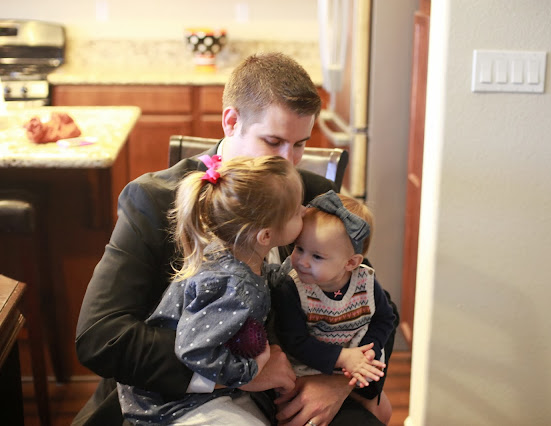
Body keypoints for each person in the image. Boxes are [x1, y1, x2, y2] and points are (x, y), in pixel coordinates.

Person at [73, 52, 398, 426]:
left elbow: (372, 300)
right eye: (273, 141)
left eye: (299, 144)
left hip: (300, 382)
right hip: (176, 398)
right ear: (231, 122)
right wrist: (236, 374)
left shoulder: (313, 195)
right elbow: (102, 336)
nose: (288, 162)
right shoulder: (154, 199)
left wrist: (339, 381)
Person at [117, 154, 304, 424]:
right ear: (265, 236)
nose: (304, 212)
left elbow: (265, 280)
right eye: (297, 211)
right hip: (172, 402)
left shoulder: (238, 256)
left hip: (207, 390)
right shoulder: (232, 286)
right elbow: (194, 350)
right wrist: (251, 371)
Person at [273, 191, 396, 425]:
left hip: (355, 363)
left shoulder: (365, 281)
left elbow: (385, 318)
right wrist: (342, 357)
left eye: (317, 256)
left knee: (382, 409)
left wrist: (367, 350)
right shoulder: (293, 287)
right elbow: (294, 341)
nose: (302, 261)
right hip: (311, 368)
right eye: (299, 248)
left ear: (351, 263)